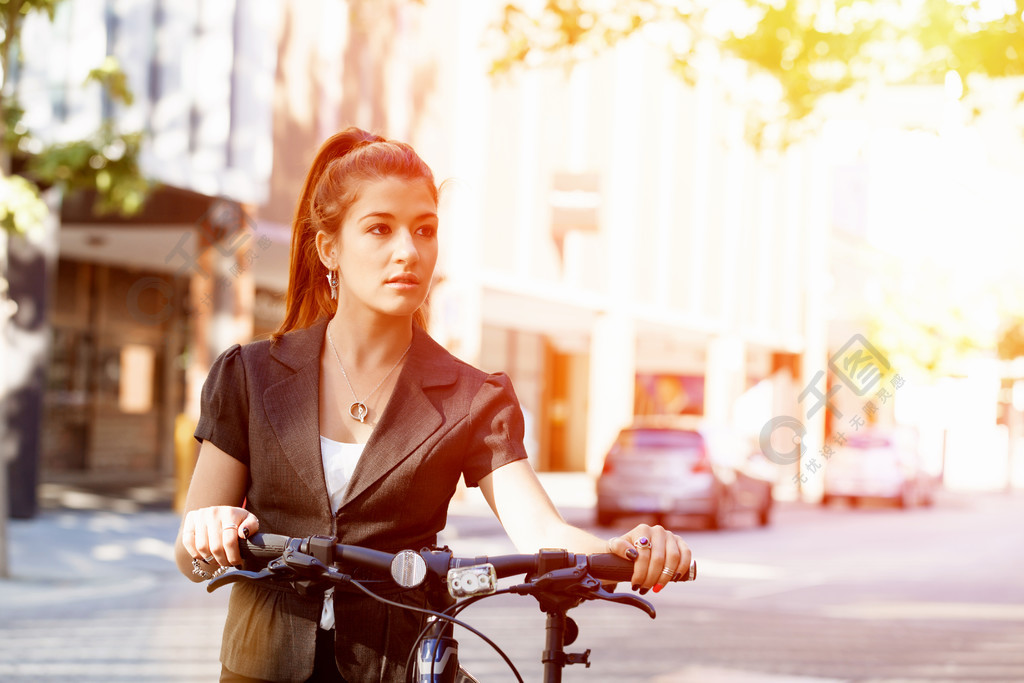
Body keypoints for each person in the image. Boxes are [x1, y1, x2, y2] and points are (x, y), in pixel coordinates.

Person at [174, 127, 692, 682]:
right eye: (379, 229)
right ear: (329, 248)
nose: (408, 251)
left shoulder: (473, 396)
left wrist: (623, 548)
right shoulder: (250, 375)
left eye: (425, 230)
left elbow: (543, 532)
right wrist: (210, 528)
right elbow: (189, 556)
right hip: (261, 670)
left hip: (402, 667)